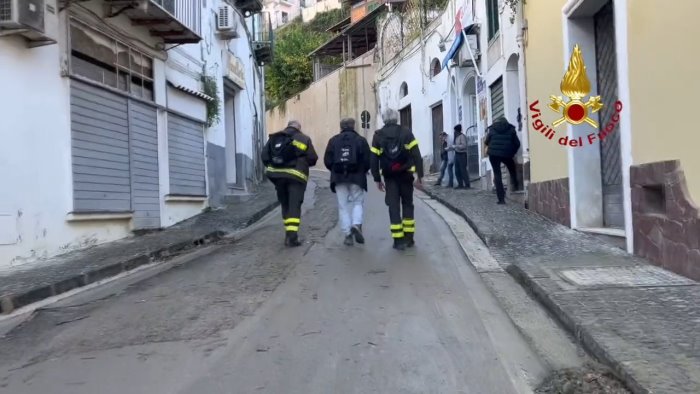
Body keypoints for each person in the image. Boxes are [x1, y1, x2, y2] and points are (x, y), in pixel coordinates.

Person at [370, 108, 424, 250]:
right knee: (408, 204)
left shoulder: (378, 136)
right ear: (396, 118)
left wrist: (377, 179)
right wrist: (420, 176)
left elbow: (373, 159)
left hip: (389, 177)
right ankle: (409, 238)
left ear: (384, 119)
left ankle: (398, 240)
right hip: (406, 175)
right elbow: (417, 155)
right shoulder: (406, 132)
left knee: (393, 207)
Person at [261, 120, 318, 247]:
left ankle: (288, 233)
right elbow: (313, 158)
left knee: (285, 204)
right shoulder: (304, 138)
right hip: (296, 177)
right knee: (294, 205)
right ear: (299, 128)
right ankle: (292, 237)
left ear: (287, 126)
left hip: (276, 177)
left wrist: (276, 165)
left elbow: (264, 156)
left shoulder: (275, 137)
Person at [324, 118, 371, 246]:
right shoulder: (360, 140)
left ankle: (347, 234)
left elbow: (327, 160)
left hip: (339, 178)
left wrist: (335, 169)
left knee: (343, 206)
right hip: (357, 177)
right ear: (353, 125)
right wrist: (362, 170)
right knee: (357, 202)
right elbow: (368, 160)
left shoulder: (333, 140)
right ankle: (356, 224)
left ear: (341, 126)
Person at [485, 117, 521, 204]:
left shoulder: (492, 129)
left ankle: (501, 199)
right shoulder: (511, 129)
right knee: (512, 169)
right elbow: (517, 143)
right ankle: (515, 186)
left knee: (497, 175)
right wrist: (512, 152)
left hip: (493, 154)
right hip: (506, 153)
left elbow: (486, 141)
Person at [453, 124, 471, 189]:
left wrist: (456, 146)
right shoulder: (456, 137)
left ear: (457, 131)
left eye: (455, 131)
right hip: (457, 154)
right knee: (457, 170)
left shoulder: (462, 136)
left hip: (462, 154)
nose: (454, 132)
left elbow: (464, 146)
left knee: (463, 170)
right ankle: (460, 184)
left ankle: (467, 184)